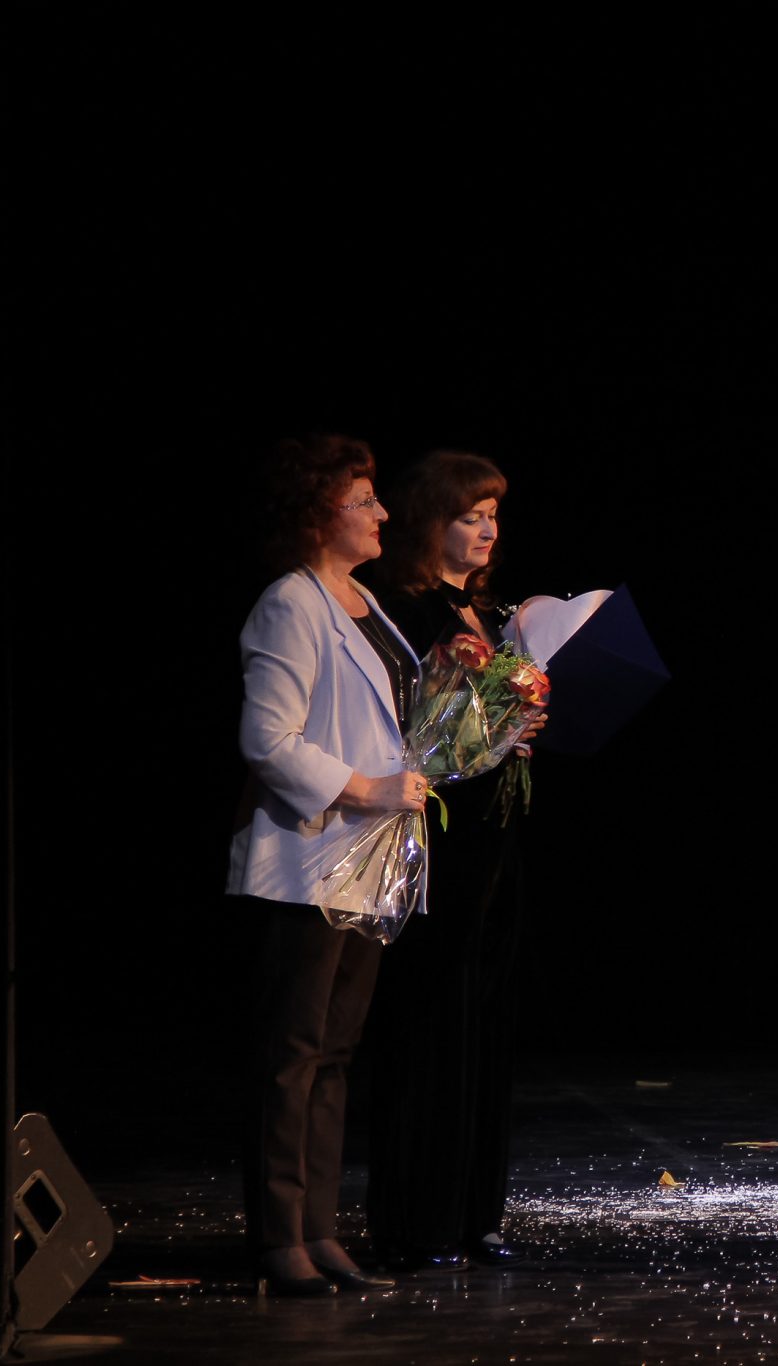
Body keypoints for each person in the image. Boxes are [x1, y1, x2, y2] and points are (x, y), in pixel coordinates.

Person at [228, 435, 424, 1295]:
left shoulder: (365, 602)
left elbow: (385, 717)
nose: (383, 512)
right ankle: (280, 1236)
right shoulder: (290, 603)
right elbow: (267, 740)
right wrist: (367, 788)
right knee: (294, 1052)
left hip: (366, 863)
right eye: (364, 500)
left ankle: (319, 1228)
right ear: (319, 513)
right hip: (308, 857)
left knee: (336, 1053)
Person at [365, 450, 537, 1271]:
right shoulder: (406, 609)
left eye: (494, 516)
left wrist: (519, 724)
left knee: (486, 1019)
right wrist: (482, 727)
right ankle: (418, 1217)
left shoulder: (492, 614)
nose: (488, 531)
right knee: (432, 1019)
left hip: (496, 834)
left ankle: (476, 1213)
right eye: (471, 516)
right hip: (439, 834)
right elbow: (413, 720)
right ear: (432, 522)